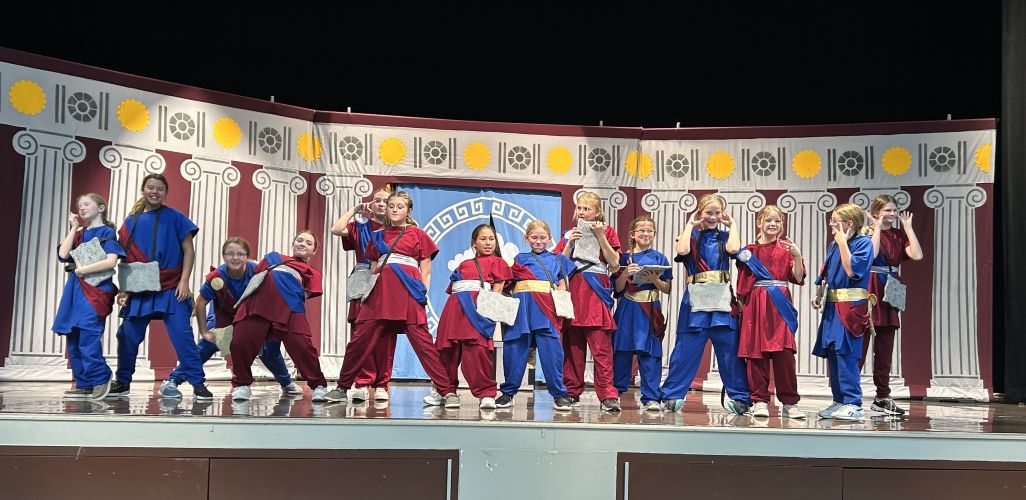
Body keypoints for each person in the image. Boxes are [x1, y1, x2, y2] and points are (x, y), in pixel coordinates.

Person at [324, 191, 455, 405]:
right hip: (380, 293)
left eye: (399, 206)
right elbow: (374, 269)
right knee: (359, 341)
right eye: (391, 205)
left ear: (409, 211)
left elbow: (426, 269)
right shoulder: (377, 236)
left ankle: (447, 391)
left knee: (424, 345)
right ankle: (342, 387)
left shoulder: (418, 235)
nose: (394, 209)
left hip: (408, 293)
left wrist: (422, 293)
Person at [160, 237, 302, 399]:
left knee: (269, 348)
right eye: (230, 253)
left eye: (240, 254)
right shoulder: (217, 277)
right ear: (224, 256)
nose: (235, 258)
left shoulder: (258, 272)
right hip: (225, 316)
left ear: (247, 256)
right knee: (208, 345)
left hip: (253, 316)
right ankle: (172, 380)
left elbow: (272, 296)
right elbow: (200, 303)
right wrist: (205, 330)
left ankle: (285, 382)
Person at [111, 174, 211, 400]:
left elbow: (189, 250)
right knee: (126, 335)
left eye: (160, 189)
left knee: (182, 337)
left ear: (165, 193)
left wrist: (184, 281)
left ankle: (198, 383)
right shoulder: (131, 222)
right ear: (143, 189)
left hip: (171, 287)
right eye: (150, 187)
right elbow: (126, 258)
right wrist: (125, 289)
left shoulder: (175, 217)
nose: (154, 192)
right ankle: (123, 382)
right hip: (140, 288)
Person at [659, 194, 751, 415]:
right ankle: (672, 394)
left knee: (729, 350)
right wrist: (690, 224)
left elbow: (733, 250)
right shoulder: (691, 236)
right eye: (708, 213)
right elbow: (681, 252)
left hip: (721, 299)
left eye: (717, 213)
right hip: (695, 299)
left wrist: (734, 224)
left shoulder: (726, 236)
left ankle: (739, 397)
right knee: (686, 349)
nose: (713, 217)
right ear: (700, 213)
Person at [229, 230, 329, 401]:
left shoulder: (312, 271)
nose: (303, 244)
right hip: (258, 306)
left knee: (303, 347)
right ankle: (242, 385)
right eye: (300, 240)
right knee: (240, 343)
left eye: (308, 243)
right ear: (293, 243)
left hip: (290, 310)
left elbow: (306, 294)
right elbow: (254, 277)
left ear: (314, 252)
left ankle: (318, 385)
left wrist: (287, 299)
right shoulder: (273, 256)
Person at [735, 205, 806, 419]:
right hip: (756, 304)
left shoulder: (787, 248)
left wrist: (797, 255)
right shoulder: (749, 251)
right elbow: (742, 285)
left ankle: (789, 403)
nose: (773, 224)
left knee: (784, 355)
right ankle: (759, 401)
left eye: (777, 221)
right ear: (759, 223)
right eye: (768, 220)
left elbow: (799, 277)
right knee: (757, 355)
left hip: (780, 305)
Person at [496, 220, 575, 411]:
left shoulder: (558, 259)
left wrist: (560, 302)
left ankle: (559, 394)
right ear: (526, 238)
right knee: (515, 349)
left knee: (552, 353)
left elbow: (564, 284)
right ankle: (508, 393)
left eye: (542, 238)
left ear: (549, 239)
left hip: (547, 310)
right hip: (522, 309)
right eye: (534, 237)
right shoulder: (519, 259)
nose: (538, 241)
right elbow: (506, 283)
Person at [554, 191, 622, 411]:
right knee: (573, 347)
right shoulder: (569, 234)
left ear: (598, 211)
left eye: (587, 209)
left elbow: (614, 264)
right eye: (580, 208)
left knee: (601, 349)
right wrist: (568, 245)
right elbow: (558, 266)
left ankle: (608, 396)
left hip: (596, 290)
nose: (582, 212)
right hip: (575, 290)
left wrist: (601, 236)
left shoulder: (609, 231)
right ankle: (572, 391)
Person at [54, 193, 124, 400]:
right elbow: (63, 255)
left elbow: (111, 261)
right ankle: (84, 383)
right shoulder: (79, 234)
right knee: (73, 335)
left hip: (95, 289)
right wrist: (74, 226)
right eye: (79, 205)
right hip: (75, 289)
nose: (82, 207)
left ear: (100, 208)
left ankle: (100, 378)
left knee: (88, 334)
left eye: (86, 204)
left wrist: (84, 270)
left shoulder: (107, 232)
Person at [434, 224, 512, 409]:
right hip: (454, 309)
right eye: (483, 239)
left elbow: (498, 288)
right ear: (474, 243)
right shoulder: (464, 264)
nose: (488, 243)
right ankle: (446, 391)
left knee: (477, 351)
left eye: (491, 239)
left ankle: (486, 393)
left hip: (478, 310)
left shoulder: (498, 262)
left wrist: (487, 314)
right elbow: (453, 288)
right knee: (448, 352)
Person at [330, 186, 396, 402]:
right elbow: (336, 229)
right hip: (362, 277)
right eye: (376, 200)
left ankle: (381, 384)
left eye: (385, 201)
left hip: (386, 279)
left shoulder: (397, 230)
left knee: (385, 333)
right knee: (361, 334)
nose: (380, 204)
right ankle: (362, 381)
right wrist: (355, 209)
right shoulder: (361, 226)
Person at [812, 203, 875, 421]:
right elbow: (827, 273)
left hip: (850, 309)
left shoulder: (863, 244)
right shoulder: (834, 245)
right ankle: (839, 400)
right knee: (832, 352)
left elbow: (852, 270)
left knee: (846, 353)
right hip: (832, 306)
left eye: (834, 220)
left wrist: (842, 245)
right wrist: (819, 294)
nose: (830, 224)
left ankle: (853, 403)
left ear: (849, 224)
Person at [863, 195, 923, 415]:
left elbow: (917, 255)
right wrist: (876, 228)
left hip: (891, 288)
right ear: (876, 211)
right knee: (859, 346)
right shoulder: (865, 233)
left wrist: (907, 228)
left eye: (894, 210)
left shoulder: (899, 234)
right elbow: (873, 254)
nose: (892, 214)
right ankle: (850, 396)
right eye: (887, 210)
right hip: (871, 288)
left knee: (885, 348)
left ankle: (882, 396)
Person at [612, 216, 672, 411]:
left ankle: (651, 397)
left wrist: (655, 280)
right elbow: (617, 290)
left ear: (654, 234)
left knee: (650, 354)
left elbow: (667, 289)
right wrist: (624, 274)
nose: (646, 234)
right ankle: (615, 395)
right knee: (622, 351)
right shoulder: (624, 258)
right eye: (641, 231)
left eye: (649, 231)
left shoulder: (659, 258)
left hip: (650, 308)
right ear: (633, 234)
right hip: (628, 308)